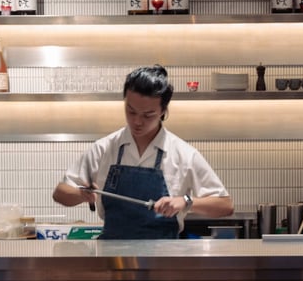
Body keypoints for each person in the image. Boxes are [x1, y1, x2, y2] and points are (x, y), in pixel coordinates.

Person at [53, 65, 233, 239]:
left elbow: (225, 205)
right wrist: (81, 195)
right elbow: (60, 193)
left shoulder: (183, 154)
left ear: (163, 111)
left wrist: (186, 201)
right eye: (131, 111)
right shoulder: (104, 148)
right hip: (112, 257)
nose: (137, 121)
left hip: (164, 257)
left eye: (148, 115)